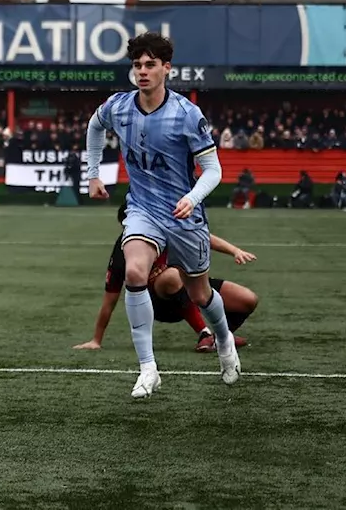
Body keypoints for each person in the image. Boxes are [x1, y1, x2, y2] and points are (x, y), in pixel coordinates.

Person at [87, 31, 239, 398]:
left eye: (150, 65)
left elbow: (214, 170)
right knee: (135, 272)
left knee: (201, 293)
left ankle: (224, 340)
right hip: (142, 210)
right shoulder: (118, 106)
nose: (142, 71)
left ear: (166, 69)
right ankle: (148, 368)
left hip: (184, 215)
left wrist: (192, 196)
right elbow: (94, 126)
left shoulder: (187, 114)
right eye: (137, 65)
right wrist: (94, 173)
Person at [74, 202, 259, 353]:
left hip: (191, 285)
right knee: (172, 275)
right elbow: (110, 299)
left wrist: (235, 251)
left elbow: (202, 237)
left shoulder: (168, 227)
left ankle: (221, 337)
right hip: (161, 304)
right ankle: (204, 334)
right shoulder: (124, 249)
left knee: (247, 299)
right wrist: (96, 339)